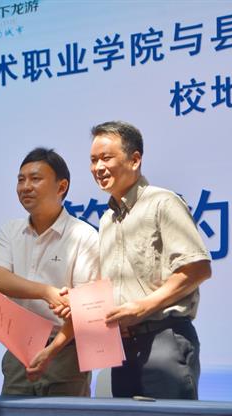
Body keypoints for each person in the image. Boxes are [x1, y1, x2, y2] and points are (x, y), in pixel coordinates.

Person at [89, 121, 212, 399]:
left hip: (164, 340)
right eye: (94, 160)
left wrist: (141, 308)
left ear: (134, 160)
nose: (98, 167)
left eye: (106, 158)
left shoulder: (163, 203)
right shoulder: (107, 219)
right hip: (122, 348)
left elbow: (198, 268)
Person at [0, 147, 99, 396]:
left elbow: (84, 307)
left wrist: (52, 351)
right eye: (21, 180)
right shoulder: (11, 231)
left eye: (35, 179)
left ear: (62, 187)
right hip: (19, 350)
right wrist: (47, 292)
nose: (25, 187)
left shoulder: (84, 236)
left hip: (66, 352)